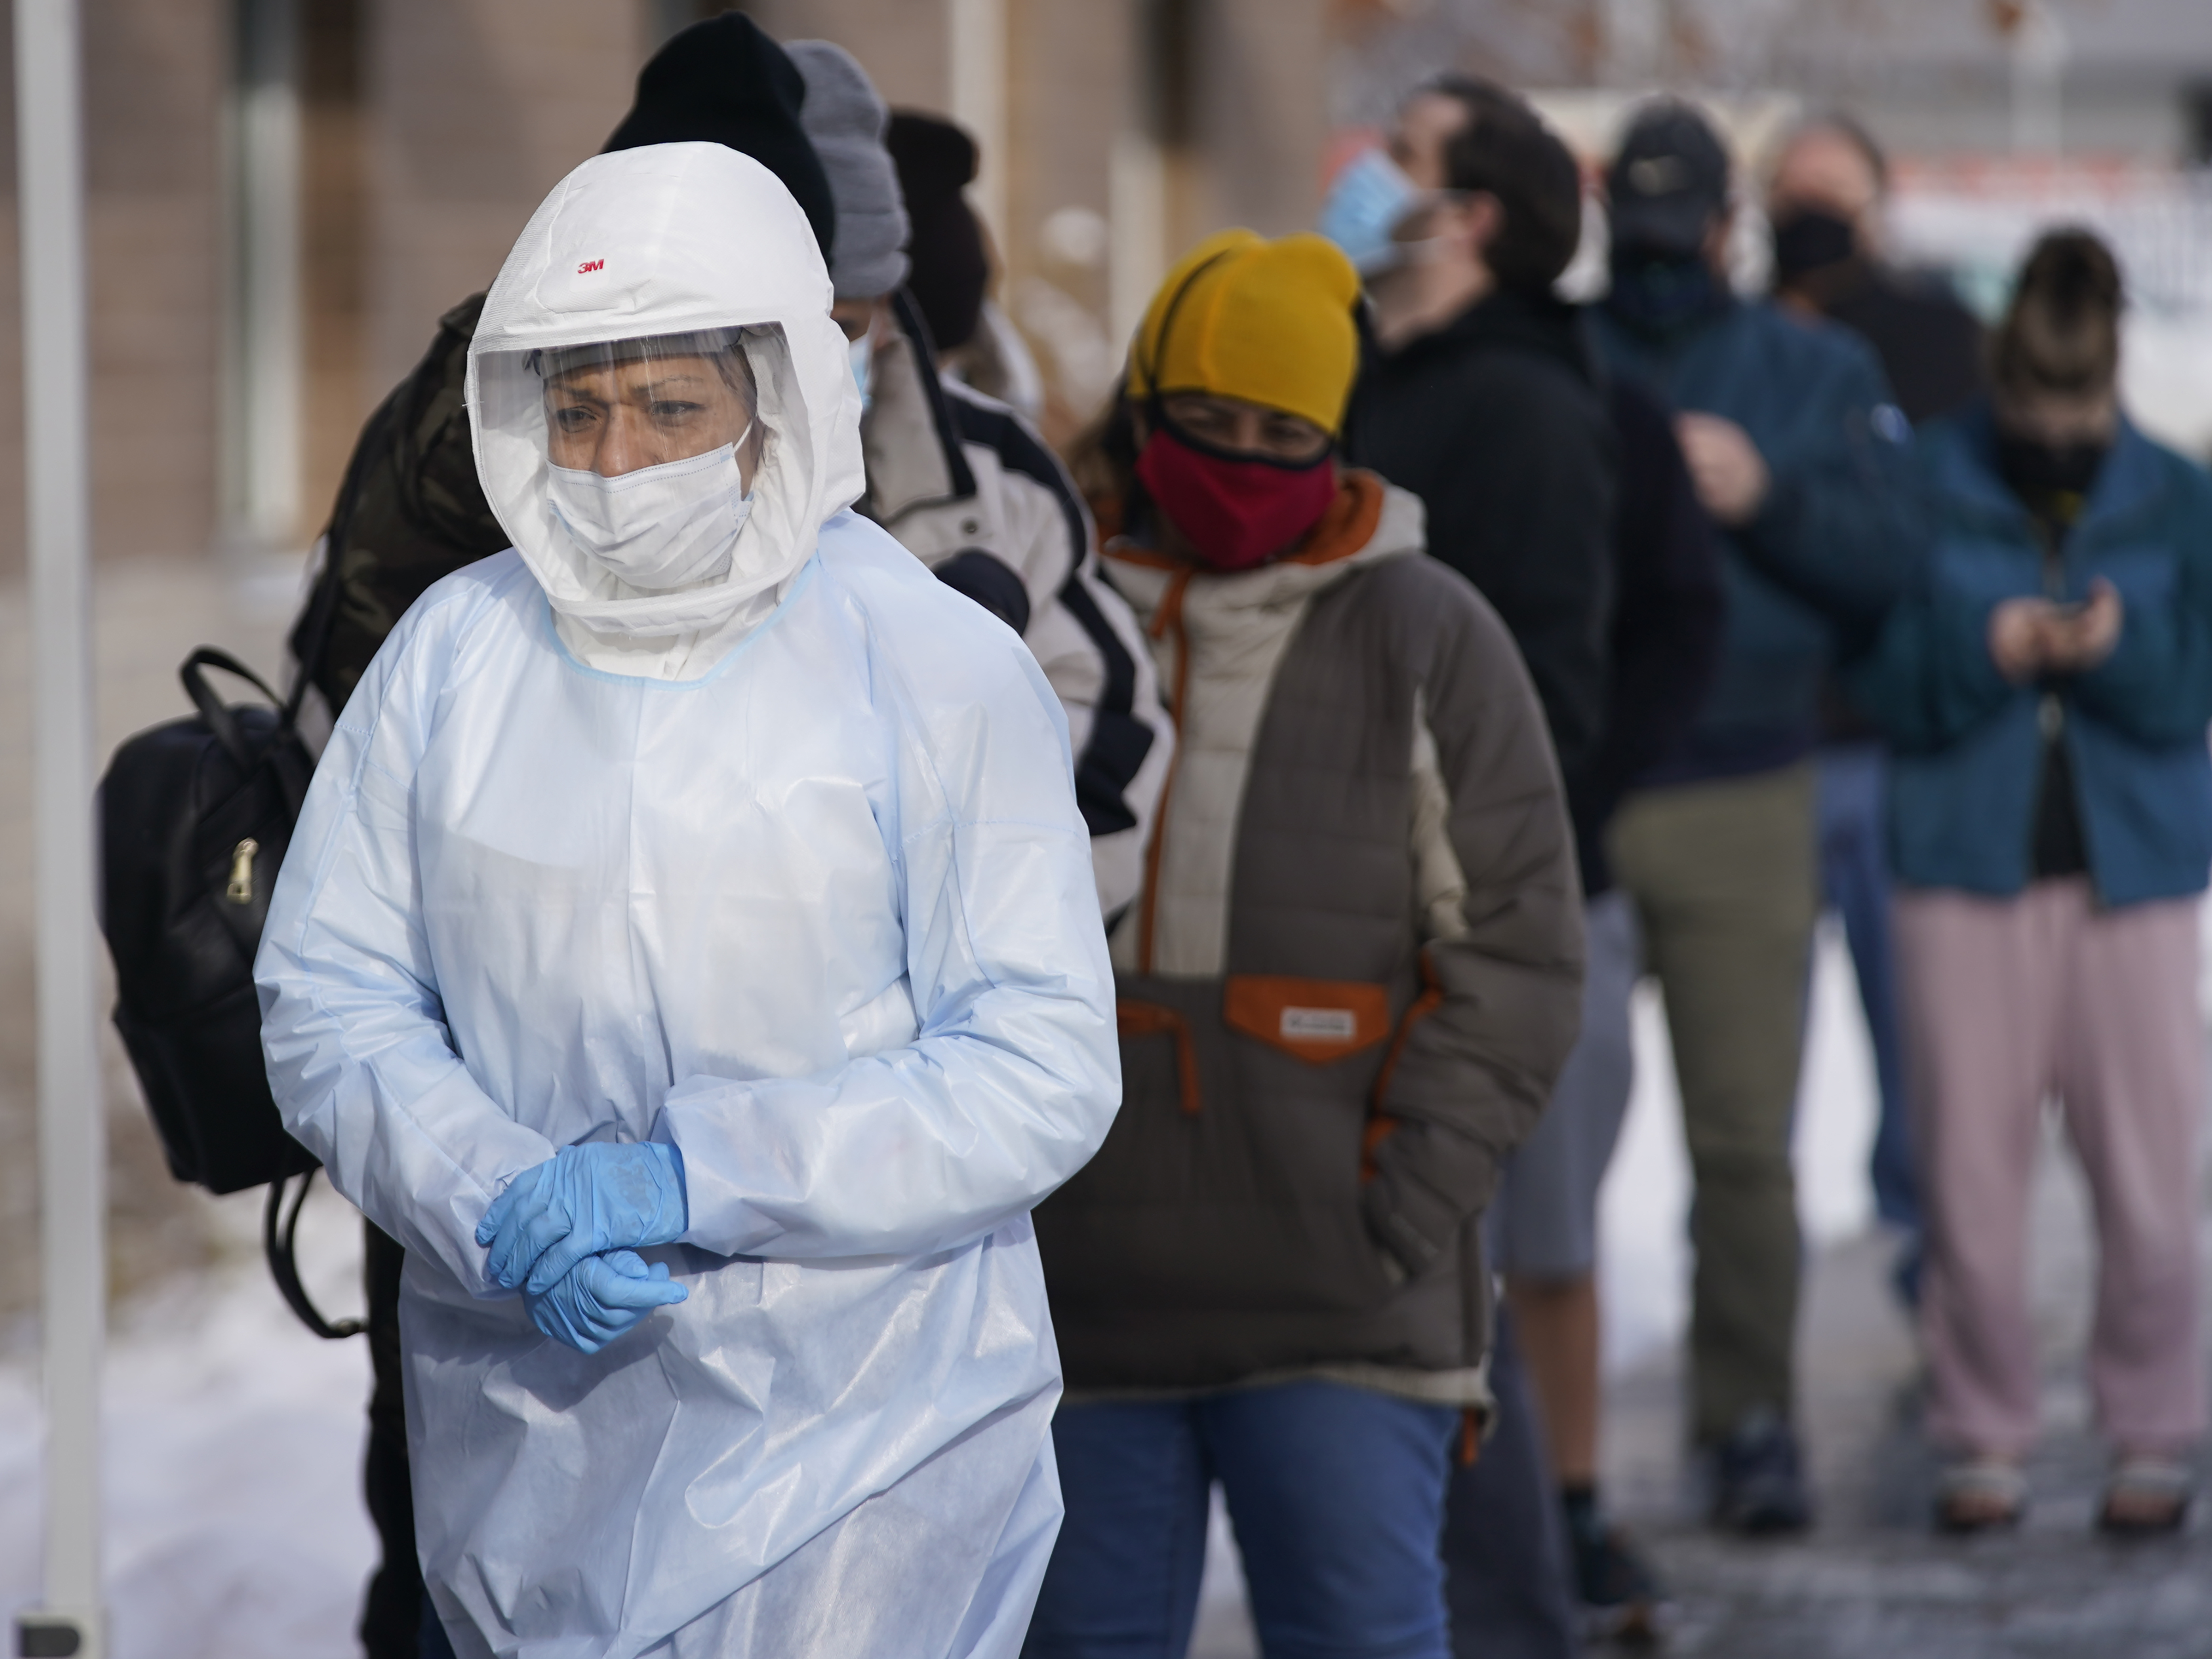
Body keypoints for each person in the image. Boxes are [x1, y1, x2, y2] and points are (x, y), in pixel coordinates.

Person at [257, 140, 1120, 1657]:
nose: (612, 460)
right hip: (533, 1440)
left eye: (670, 408)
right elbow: (332, 988)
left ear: (779, 400)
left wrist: (701, 1173)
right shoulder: (454, 660)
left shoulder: (924, 664)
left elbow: (1038, 1057)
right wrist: (490, 1188)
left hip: (868, 1437)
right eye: (576, 410)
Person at [1026, 229, 1585, 1659]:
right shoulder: (1049, 621)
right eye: (1205, 425)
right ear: (1143, 413)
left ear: (1336, 444)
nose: (1237, 461)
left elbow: (1516, 957)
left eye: (1281, 435)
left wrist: (1395, 1207)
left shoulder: (1427, 632)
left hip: (1346, 1317)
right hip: (1079, 1317)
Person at [1329, 76, 1722, 1641]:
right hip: (1353, 890)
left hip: (1501, 898)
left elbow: (1581, 668)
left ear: (1469, 211)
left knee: (1533, 1234)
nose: (1366, 177)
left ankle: (1559, 1516)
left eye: (1401, 158)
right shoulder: (1355, 372)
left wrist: (1549, 835)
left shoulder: (1545, 400)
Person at [1849, 231, 2212, 1538]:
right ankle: (1981, 1428)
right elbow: (1876, 677)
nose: (2054, 436)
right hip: (1962, 864)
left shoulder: (2178, 491)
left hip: (2138, 874)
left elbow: (2195, 684)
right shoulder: (1923, 481)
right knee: (1967, 1182)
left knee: (2150, 1185)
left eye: (2079, 415)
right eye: (2030, 414)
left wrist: (2119, 652)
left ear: (2113, 386)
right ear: (1996, 386)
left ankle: (2152, 1424)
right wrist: (1980, 645)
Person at [1592, 99, 1913, 1533]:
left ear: (1725, 225)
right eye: (1639, 229)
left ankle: (1748, 1416)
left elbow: (1889, 560)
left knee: (1739, 1138)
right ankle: (1541, 1447)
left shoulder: (1809, 366)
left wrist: (1764, 490)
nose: (1664, 254)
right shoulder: (1568, 357)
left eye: (1684, 228)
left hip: (1743, 782)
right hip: (1586, 780)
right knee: (1536, 1147)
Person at [789, 41, 1169, 915]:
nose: (824, 354)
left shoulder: (1001, 477)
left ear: (891, 316)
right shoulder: (614, 460)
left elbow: (1111, 728)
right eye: (795, 321)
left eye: (847, 322)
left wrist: (981, 931)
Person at [1767, 112, 1987, 1269]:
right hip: (1768, 742)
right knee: (1755, 1057)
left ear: (1876, 205)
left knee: (1918, 1039)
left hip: (1893, 742)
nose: (1806, 213)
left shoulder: (1935, 336)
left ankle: (1928, 1259)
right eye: (1788, 190)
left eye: (1830, 191)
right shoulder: (1738, 340)